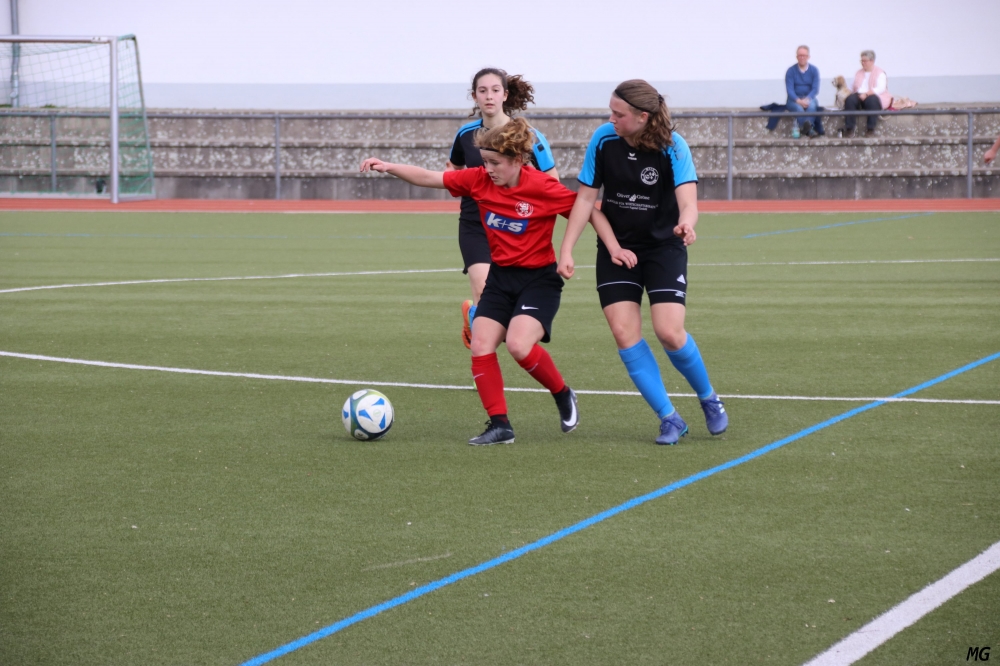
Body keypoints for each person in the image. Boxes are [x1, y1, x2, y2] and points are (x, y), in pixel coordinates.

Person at [361, 118, 579, 446]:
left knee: (519, 345)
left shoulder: (542, 186)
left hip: (539, 280)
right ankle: (500, 425)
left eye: (494, 162)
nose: (487, 168)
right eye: (485, 161)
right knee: (480, 343)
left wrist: (571, 250)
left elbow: (586, 210)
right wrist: (389, 166)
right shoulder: (479, 179)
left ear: (518, 160)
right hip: (500, 278)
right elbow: (431, 177)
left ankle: (562, 393)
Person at [557, 80, 727, 446]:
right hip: (617, 249)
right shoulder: (603, 140)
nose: (611, 119)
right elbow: (585, 199)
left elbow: (689, 203)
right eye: (611, 111)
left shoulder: (673, 146)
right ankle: (669, 418)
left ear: (642, 117)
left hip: (664, 248)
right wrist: (567, 249)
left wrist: (687, 224)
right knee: (624, 333)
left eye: (618, 114)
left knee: (669, 332)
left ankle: (709, 398)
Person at [446, 68, 559, 349]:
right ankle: (482, 357)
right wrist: (460, 182)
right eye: (482, 91)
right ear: (474, 96)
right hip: (475, 224)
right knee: (483, 291)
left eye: (495, 90)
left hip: (515, 227)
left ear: (505, 95)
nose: (489, 96)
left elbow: (553, 182)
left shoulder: (529, 136)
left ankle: (475, 317)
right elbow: (454, 168)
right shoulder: (465, 134)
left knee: (507, 324)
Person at [842, 50, 892, 137]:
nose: (863, 63)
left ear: (872, 61)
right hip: (859, 94)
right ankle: (849, 129)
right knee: (850, 100)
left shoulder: (880, 73)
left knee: (872, 101)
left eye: (865, 61)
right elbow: (851, 87)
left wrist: (867, 94)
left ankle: (870, 129)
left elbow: (881, 88)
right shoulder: (858, 73)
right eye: (862, 61)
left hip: (873, 95)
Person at [785, 45, 821, 138]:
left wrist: (807, 99)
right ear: (796, 57)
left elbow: (815, 89)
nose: (802, 57)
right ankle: (809, 130)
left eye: (804, 55)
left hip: (809, 98)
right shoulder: (791, 71)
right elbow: (789, 90)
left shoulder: (814, 70)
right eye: (800, 55)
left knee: (812, 106)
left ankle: (806, 129)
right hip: (794, 99)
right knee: (799, 109)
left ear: (808, 57)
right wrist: (798, 101)